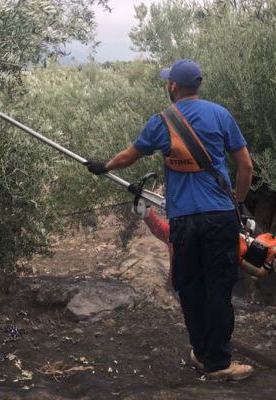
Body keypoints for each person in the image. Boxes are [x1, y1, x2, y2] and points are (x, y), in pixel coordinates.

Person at [85, 59, 255, 380]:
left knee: (190, 288)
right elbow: (246, 167)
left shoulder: (161, 122)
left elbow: (128, 156)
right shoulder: (220, 114)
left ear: (174, 86)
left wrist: (104, 166)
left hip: (184, 220)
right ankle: (217, 361)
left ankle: (204, 355)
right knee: (218, 289)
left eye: (168, 81)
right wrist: (239, 202)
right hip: (220, 216)